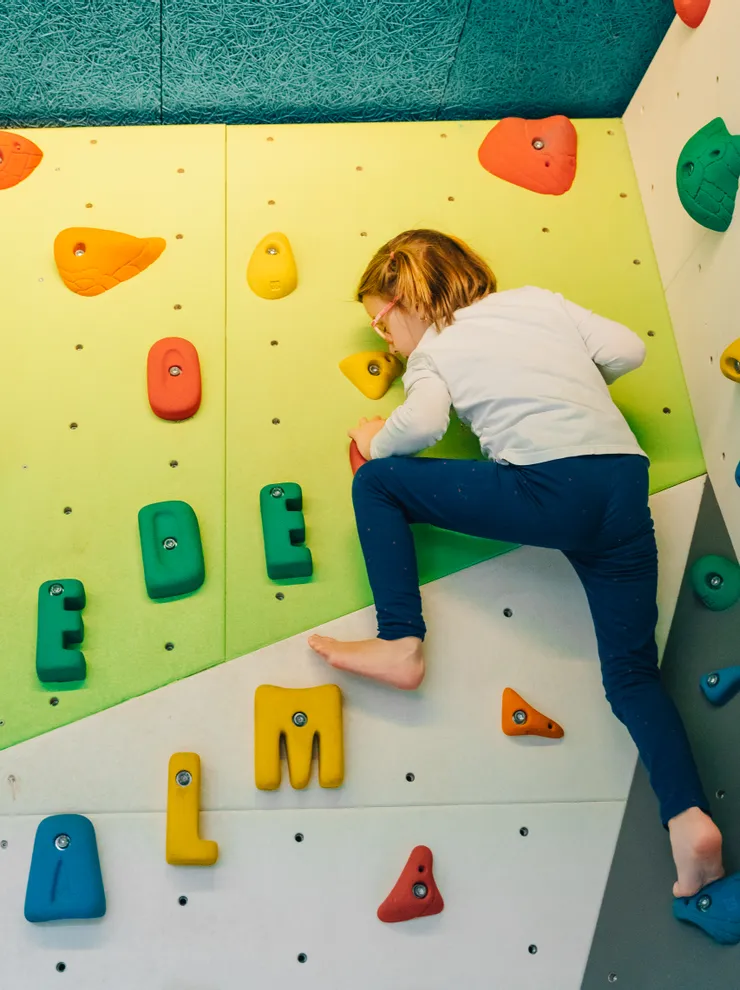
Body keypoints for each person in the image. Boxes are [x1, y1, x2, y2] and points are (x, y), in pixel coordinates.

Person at [308, 227, 722, 902]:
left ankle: (401, 641)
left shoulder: (435, 350)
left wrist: (373, 437)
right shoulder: (539, 302)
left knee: (378, 483)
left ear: (407, 295)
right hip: (620, 484)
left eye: (381, 323)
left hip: (549, 489)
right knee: (630, 676)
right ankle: (689, 820)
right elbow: (627, 348)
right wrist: (568, 385)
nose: (385, 340)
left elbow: (422, 428)